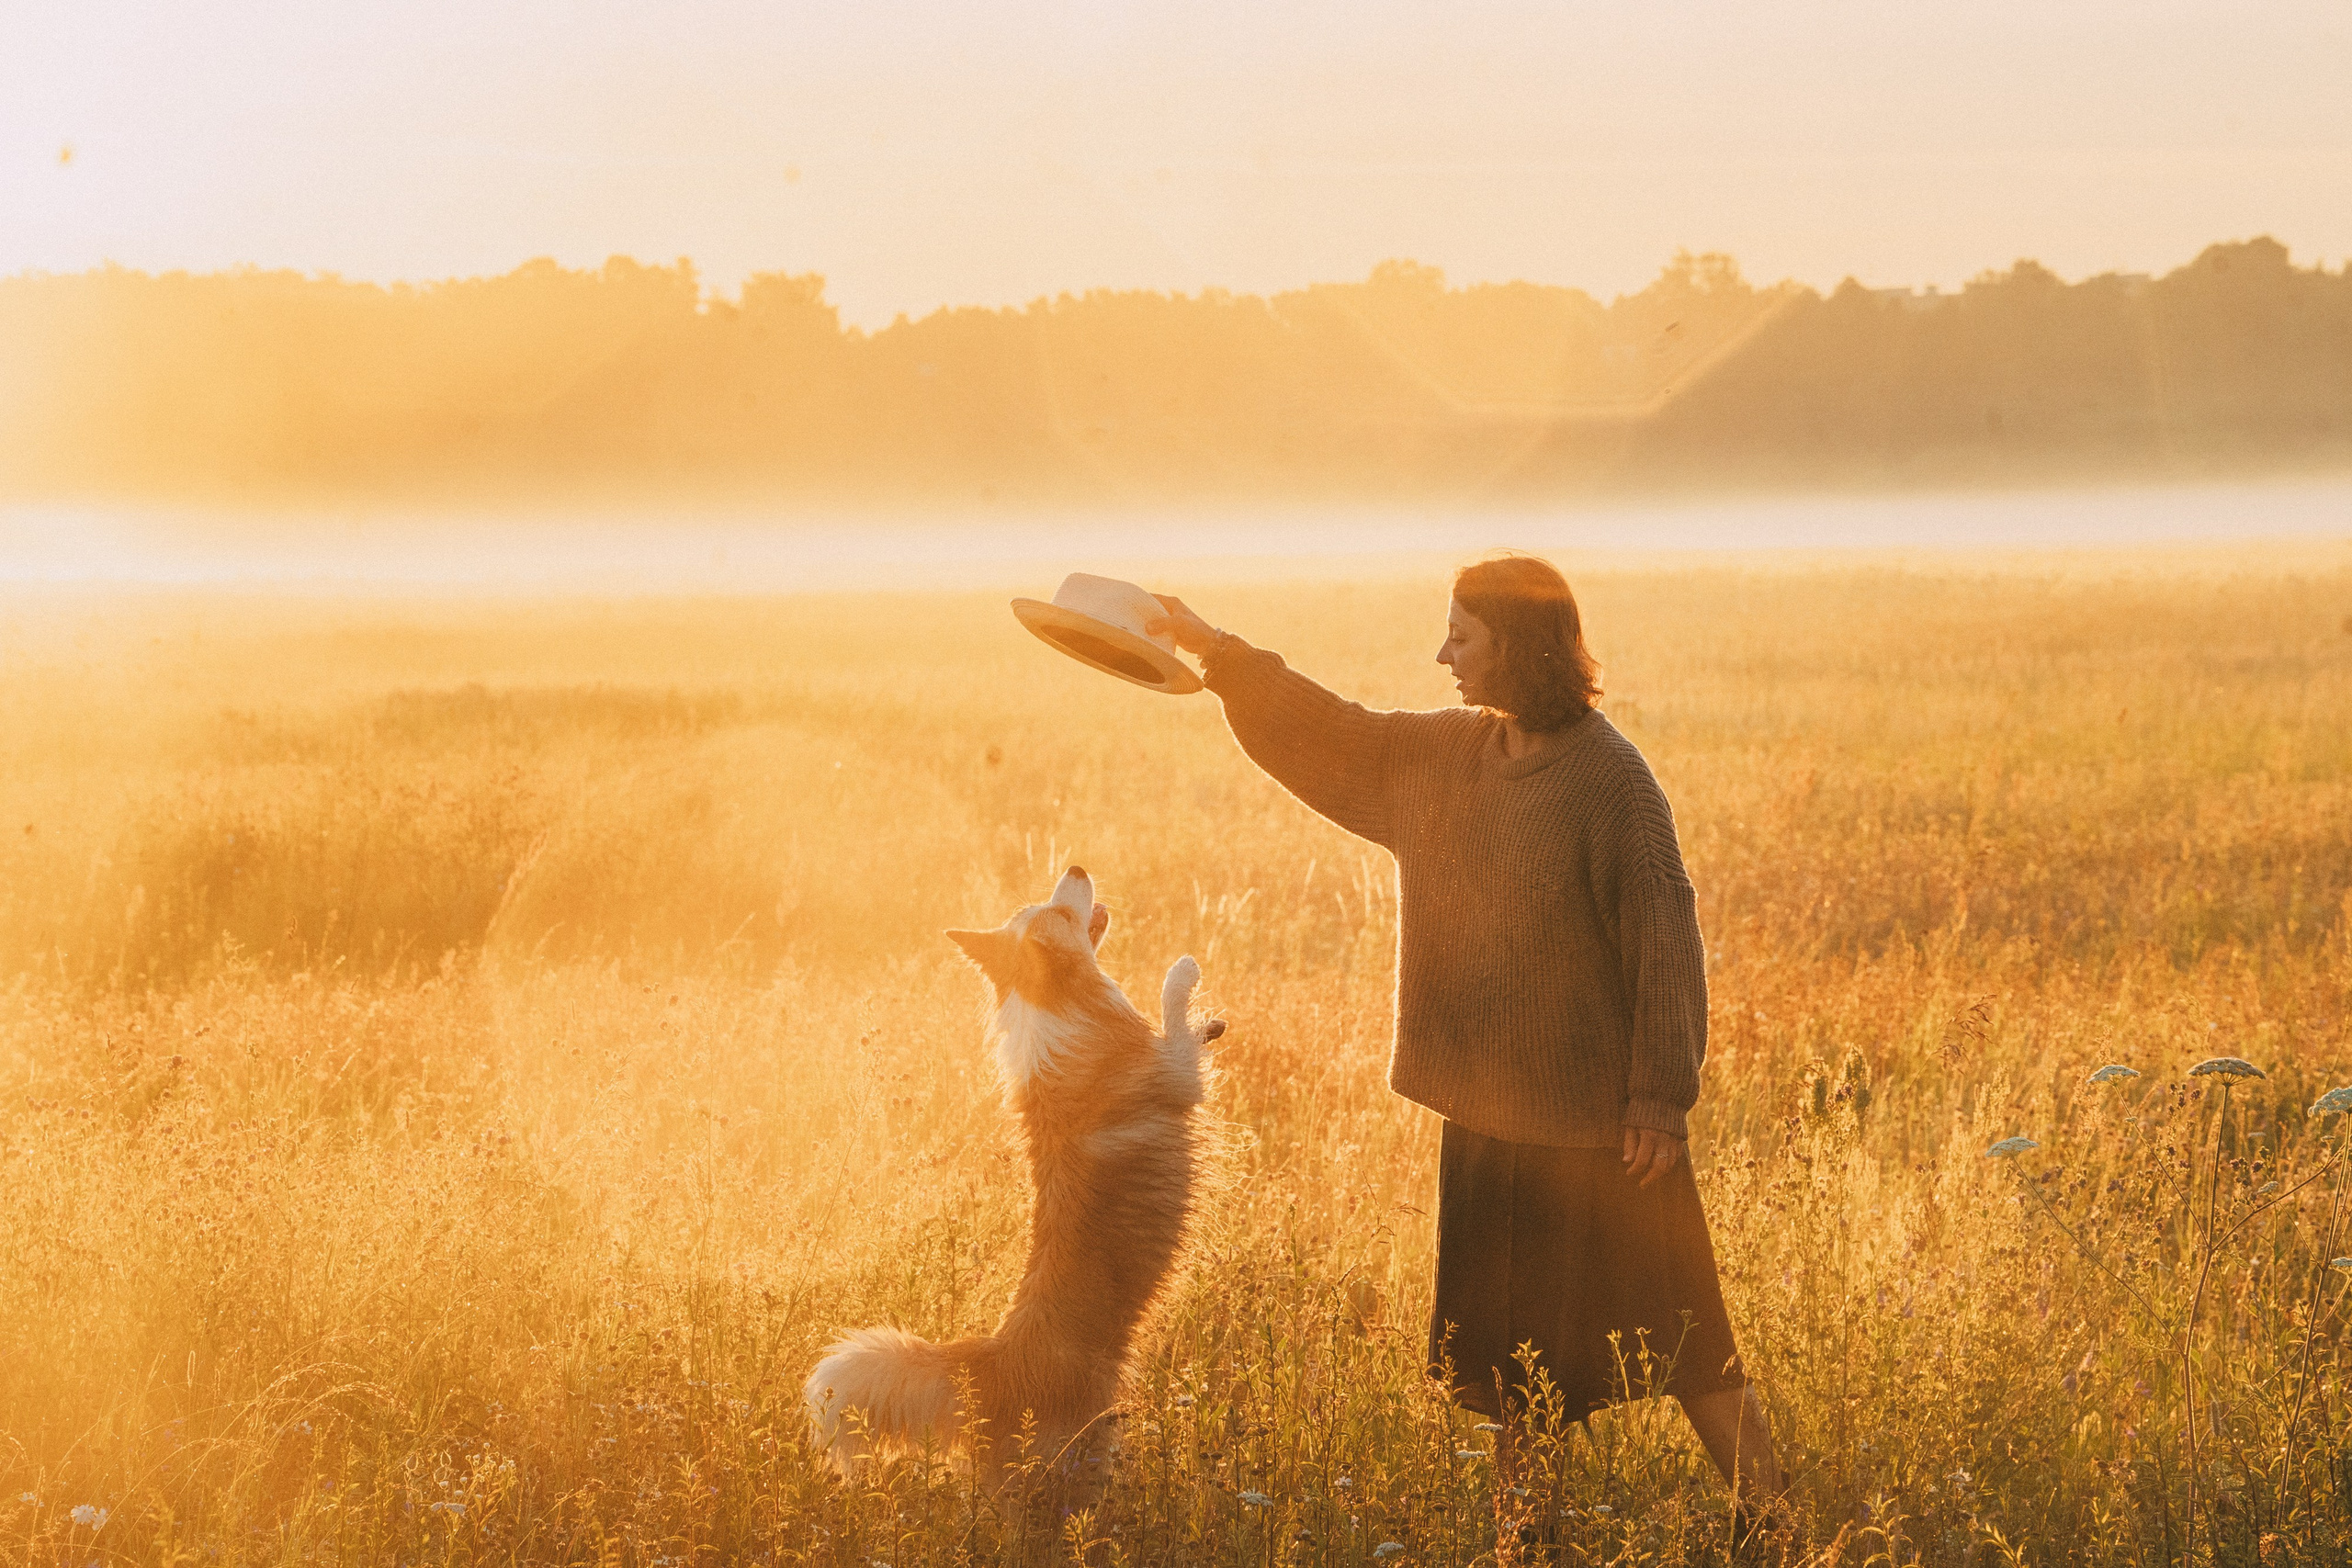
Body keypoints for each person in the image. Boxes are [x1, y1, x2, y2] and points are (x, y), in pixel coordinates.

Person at [1149, 555, 1781, 1508]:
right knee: (1519, 1380)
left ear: (1520, 647)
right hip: (1490, 1128)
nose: (1441, 654)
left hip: (1604, 1140)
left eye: (1461, 636)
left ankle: (1779, 1525)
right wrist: (1215, 652)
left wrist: (1659, 1098)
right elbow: (1335, 735)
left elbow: (1665, 936)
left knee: (1696, 1355)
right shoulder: (1448, 756)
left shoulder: (1612, 785)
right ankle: (1523, 1544)